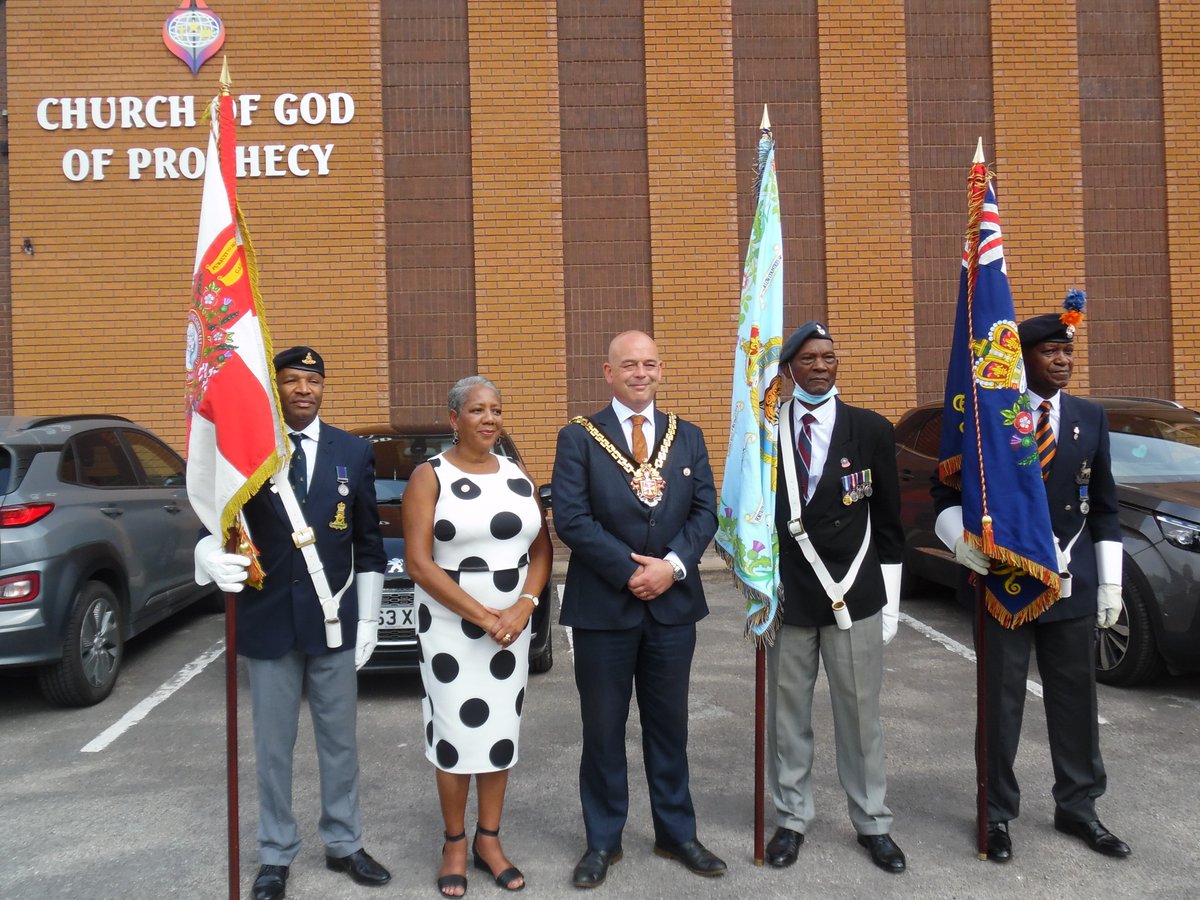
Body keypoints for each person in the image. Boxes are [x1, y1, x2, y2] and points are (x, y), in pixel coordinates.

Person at [933, 302, 1130, 863]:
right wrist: (960, 543)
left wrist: (1110, 584)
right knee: (1001, 706)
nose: (1063, 360)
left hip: (1071, 581)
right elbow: (947, 495)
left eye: (1068, 350)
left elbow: (1106, 507)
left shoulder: (1089, 417)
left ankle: (1079, 807)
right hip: (1005, 585)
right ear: (1022, 358)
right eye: (1050, 350)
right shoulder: (990, 417)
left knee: (1074, 702)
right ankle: (995, 814)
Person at [194, 346, 392, 900]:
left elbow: (368, 544)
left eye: (312, 380)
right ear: (274, 387)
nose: (303, 389)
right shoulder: (247, 452)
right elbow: (216, 519)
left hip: (332, 620)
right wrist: (205, 552)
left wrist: (370, 619)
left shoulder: (352, 451)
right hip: (268, 619)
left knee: (340, 744)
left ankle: (344, 842)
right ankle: (275, 854)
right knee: (273, 748)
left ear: (324, 387)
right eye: (291, 380)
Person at [552, 330, 725, 889]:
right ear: (608, 372)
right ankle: (603, 840)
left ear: (660, 370)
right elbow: (572, 519)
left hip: (672, 608)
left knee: (669, 727)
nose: (641, 374)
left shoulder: (688, 435)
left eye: (650, 364)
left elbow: (705, 513)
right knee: (602, 729)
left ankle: (676, 834)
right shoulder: (578, 438)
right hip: (604, 608)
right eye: (630, 365)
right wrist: (631, 572)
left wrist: (670, 567)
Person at [402, 376, 553, 897]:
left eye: (496, 409)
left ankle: (490, 840)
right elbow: (419, 564)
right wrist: (485, 617)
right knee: (454, 734)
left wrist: (524, 606)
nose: (489, 419)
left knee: (499, 734)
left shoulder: (516, 474)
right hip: (450, 629)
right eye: (476, 410)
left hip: (511, 629)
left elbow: (541, 550)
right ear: (454, 419)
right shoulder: (429, 476)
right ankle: (455, 844)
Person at [765, 321, 907, 874]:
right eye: (809, 359)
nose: (821, 366)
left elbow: (890, 519)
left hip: (855, 596)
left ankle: (873, 821)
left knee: (859, 715)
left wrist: (890, 599)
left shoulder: (870, 428)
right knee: (788, 716)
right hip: (789, 597)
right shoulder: (765, 428)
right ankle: (791, 819)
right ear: (789, 369)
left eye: (829, 357)